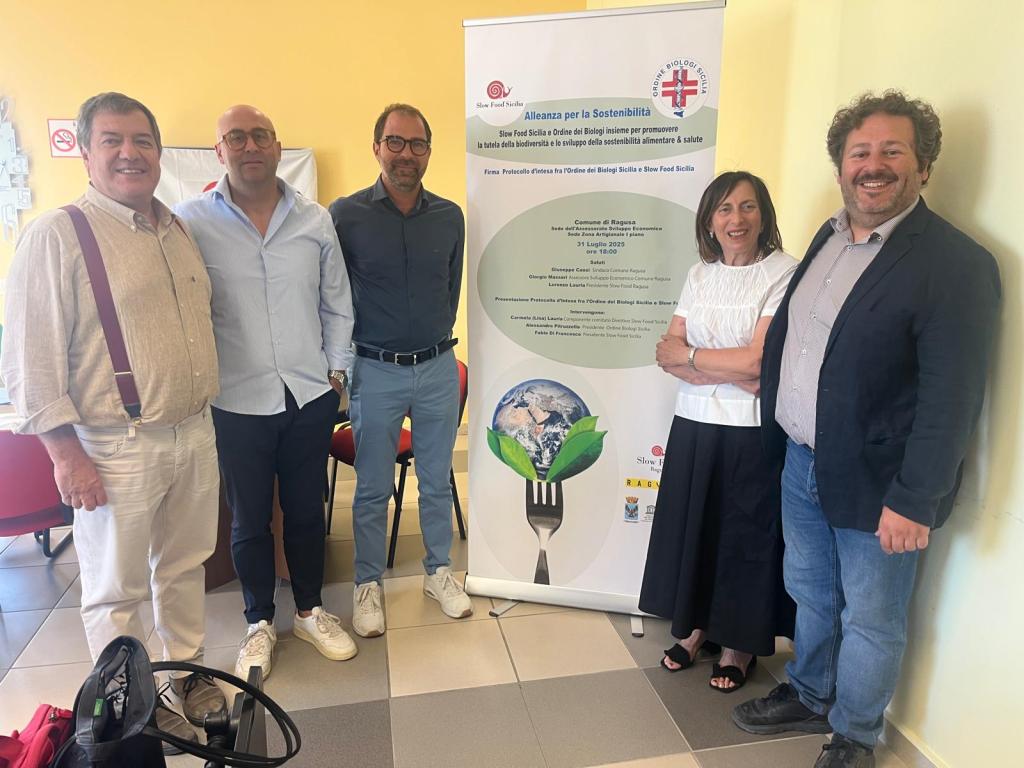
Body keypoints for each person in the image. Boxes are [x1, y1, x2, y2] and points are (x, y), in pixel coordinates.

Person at [732, 91, 1001, 768]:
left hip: (884, 483)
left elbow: (953, 397)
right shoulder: (827, 236)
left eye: (892, 151)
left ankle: (854, 735)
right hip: (802, 461)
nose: (873, 165)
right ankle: (810, 691)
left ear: (924, 166)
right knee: (811, 592)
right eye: (860, 152)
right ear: (841, 167)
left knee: (873, 618)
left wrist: (916, 498)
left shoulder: (957, 264)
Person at [0, 92, 226, 747]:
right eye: (112, 140)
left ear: (158, 151)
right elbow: (29, 363)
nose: (130, 153)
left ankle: (186, 677)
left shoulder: (176, 229)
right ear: (85, 152)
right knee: (114, 589)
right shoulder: (58, 234)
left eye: (142, 140)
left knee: (184, 566)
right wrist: (65, 456)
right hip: (113, 444)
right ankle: (130, 711)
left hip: (194, 430)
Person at [175, 105, 357, 679]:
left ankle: (309, 611)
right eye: (236, 137)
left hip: (308, 394)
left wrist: (337, 375)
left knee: (306, 511)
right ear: (219, 151)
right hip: (235, 400)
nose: (250, 146)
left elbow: (337, 302)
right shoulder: (190, 222)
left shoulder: (314, 219)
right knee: (249, 519)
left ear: (277, 147)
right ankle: (258, 622)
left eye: (260, 136)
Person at [639, 171, 797, 693]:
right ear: (710, 220)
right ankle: (696, 628)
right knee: (697, 528)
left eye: (748, 207)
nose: (736, 219)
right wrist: (727, 369)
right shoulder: (699, 275)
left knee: (743, 535)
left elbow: (759, 361)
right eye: (725, 209)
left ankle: (738, 645)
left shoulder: (784, 272)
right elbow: (668, 352)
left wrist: (699, 360)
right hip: (694, 422)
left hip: (751, 430)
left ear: (763, 215)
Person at [330, 103, 471, 637]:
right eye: (395, 142)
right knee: (372, 488)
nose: (406, 153)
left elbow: (450, 289)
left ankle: (438, 572)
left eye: (417, 144)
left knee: (436, 481)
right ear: (377, 148)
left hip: (437, 366)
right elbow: (332, 294)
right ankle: (368, 584)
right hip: (376, 369)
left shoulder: (449, 216)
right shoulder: (346, 215)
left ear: (428, 152)